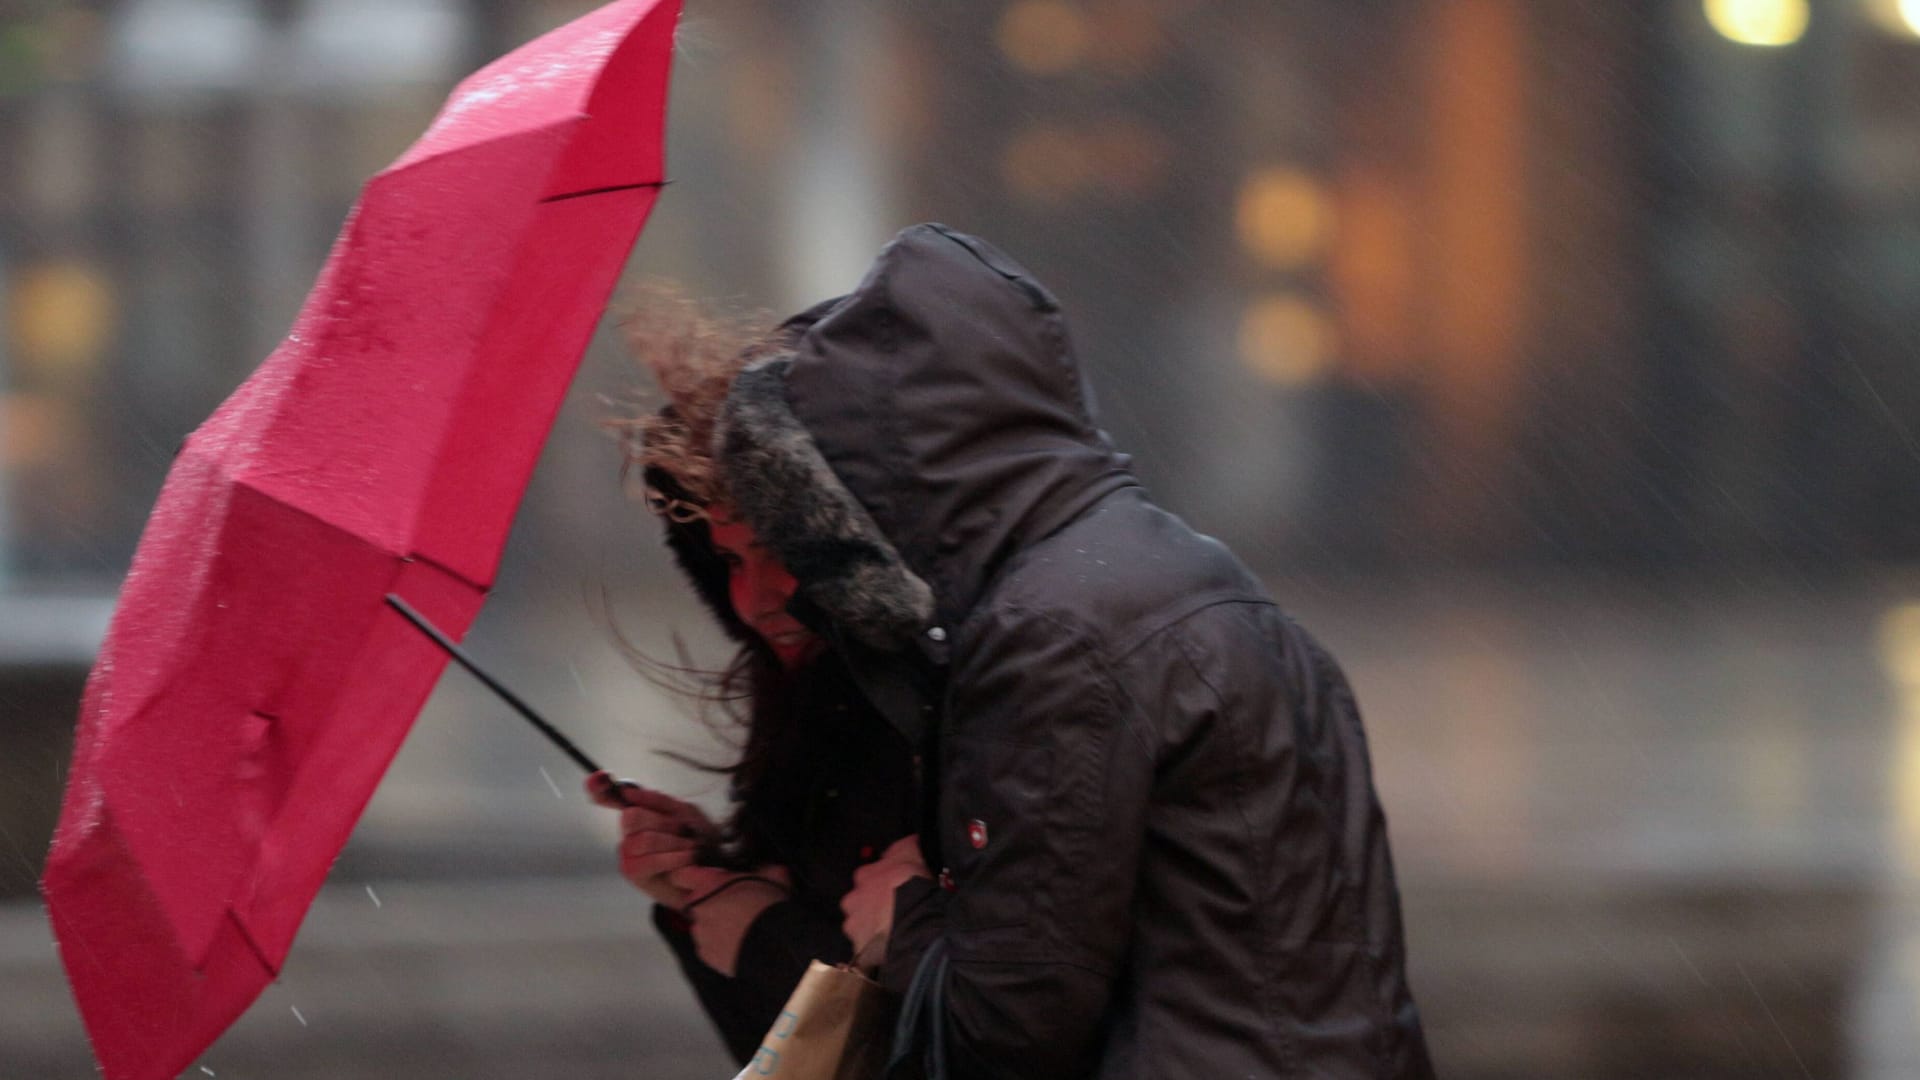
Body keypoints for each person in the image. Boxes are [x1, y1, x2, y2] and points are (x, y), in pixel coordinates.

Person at [706, 223, 1436, 1078]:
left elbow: (1006, 1028)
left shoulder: (1049, 639)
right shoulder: (1170, 575)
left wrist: (898, 920)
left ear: (885, 466)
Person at [584, 291, 919, 1066]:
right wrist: (712, 889)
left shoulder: (944, 720)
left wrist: (765, 937)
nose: (752, 599)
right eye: (731, 560)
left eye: (783, 550)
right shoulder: (814, 721)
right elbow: (786, 1058)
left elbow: (962, 1042)